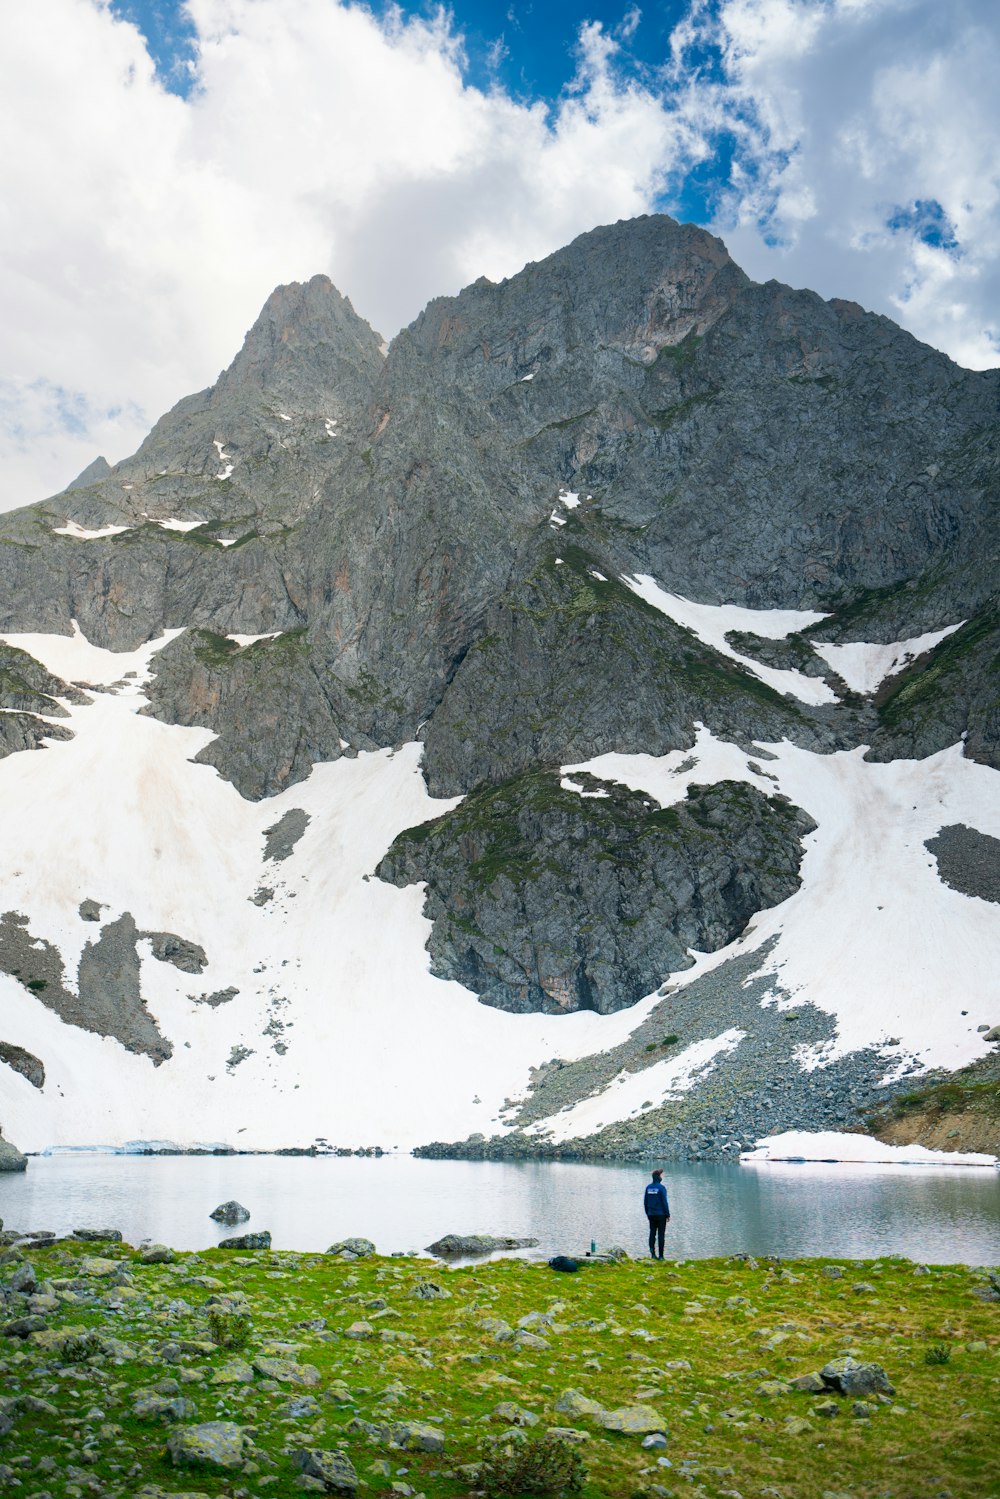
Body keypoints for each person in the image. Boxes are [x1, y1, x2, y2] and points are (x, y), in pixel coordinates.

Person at [643, 1168, 670, 1259]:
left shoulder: (648, 1187)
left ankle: (653, 1255)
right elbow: (664, 1202)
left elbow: (645, 1202)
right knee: (661, 1235)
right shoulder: (661, 1188)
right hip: (661, 1215)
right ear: (659, 1177)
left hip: (651, 1214)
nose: (663, 1176)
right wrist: (668, 1214)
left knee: (652, 1234)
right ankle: (661, 1256)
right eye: (662, 1175)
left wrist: (648, 1213)